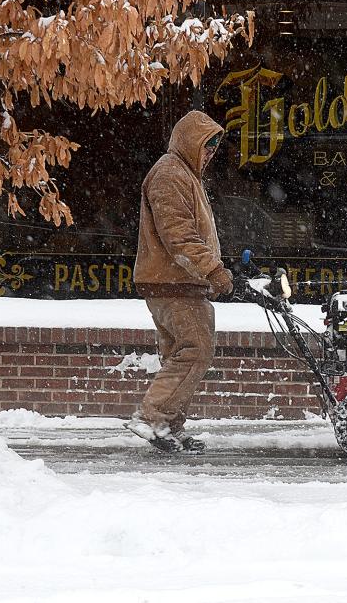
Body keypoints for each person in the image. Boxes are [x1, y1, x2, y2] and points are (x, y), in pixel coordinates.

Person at [125, 111, 233, 453]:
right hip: (175, 282)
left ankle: (167, 425)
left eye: (215, 148)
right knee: (196, 350)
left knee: (180, 353)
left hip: (177, 281)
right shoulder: (170, 174)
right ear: (190, 141)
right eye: (207, 146)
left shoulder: (182, 174)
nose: (210, 154)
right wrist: (212, 269)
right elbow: (179, 236)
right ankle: (151, 416)